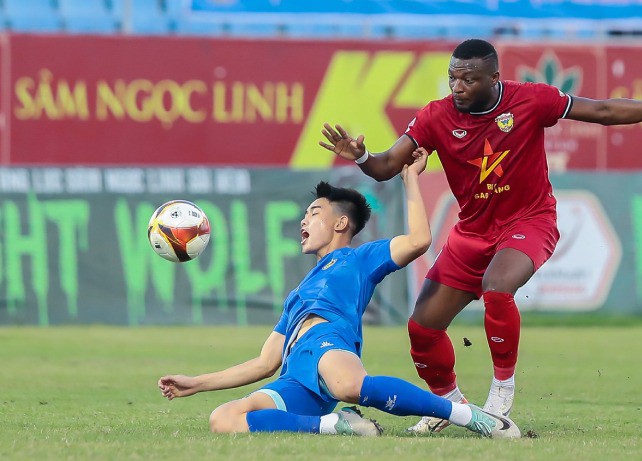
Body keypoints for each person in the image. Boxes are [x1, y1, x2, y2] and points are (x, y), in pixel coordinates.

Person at [319, 38, 642, 434]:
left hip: (529, 222)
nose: (457, 87)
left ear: (494, 77)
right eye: (452, 78)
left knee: (497, 287)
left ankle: (501, 391)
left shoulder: (531, 99)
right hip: (472, 232)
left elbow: (601, 110)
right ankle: (450, 407)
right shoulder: (436, 116)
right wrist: (361, 156)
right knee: (423, 328)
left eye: (468, 79)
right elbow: (388, 164)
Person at [157, 149, 521, 439]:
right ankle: (336, 426)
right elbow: (264, 363)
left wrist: (410, 179)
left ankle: (467, 416)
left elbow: (419, 241)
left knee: (348, 385)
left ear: (341, 223)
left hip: (329, 343)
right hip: (294, 372)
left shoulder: (358, 259)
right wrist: (196, 383)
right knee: (223, 418)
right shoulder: (297, 295)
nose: (303, 220)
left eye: (314, 213)